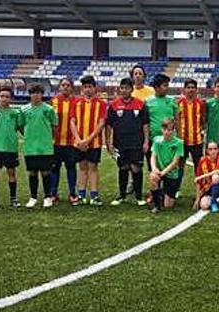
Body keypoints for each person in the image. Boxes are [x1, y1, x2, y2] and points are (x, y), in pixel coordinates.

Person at [105, 77, 150, 206]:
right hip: (120, 143)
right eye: (122, 88)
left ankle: (138, 196)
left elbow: (145, 124)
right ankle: (122, 195)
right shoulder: (114, 105)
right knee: (123, 167)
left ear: (131, 89)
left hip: (136, 142)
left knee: (136, 168)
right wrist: (108, 143)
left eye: (127, 88)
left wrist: (146, 141)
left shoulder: (140, 104)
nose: (124, 90)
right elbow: (108, 125)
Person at [69, 75, 107, 206]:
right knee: (82, 167)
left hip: (94, 142)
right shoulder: (76, 103)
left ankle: (95, 196)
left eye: (90, 86)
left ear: (95, 88)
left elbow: (101, 123)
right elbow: (72, 122)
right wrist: (79, 140)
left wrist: (88, 140)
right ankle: (81, 195)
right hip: (79, 143)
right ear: (82, 89)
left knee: (93, 168)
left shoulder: (101, 104)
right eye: (85, 87)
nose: (87, 89)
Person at [0, 87, 23, 209]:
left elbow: (19, 128)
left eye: (7, 96)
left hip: (10, 148)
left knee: (11, 172)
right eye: (2, 96)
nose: (4, 98)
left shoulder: (15, 113)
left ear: (10, 98)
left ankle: (13, 198)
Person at [21, 84, 58, 208]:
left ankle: (48, 197)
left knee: (46, 172)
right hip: (30, 147)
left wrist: (47, 138)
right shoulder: (24, 110)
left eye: (38, 93)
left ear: (42, 94)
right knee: (32, 172)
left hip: (45, 147)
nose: (35, 95)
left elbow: (54, 127)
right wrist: (28, 136)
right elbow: (21, 126)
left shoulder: (49, 109)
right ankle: (33, 197)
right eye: (33, 93)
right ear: (30, 94)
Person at [49, 78, 78, 204]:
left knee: (71, 168)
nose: (65, 87)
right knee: (54, 168)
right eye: (63, 85)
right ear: (59, 87)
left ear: (72, 87)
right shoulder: (53, 101)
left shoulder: (76, 102)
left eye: (68, 85)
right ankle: (53, 193)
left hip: (71, 142)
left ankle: (72, 193)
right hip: (55, 142)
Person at [149, 118, 184, 212]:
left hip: (171, 173)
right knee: (153, 176)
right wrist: (154, 168)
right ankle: (157, 206)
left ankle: (161, 194)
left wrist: (164, 172)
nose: (166, 132)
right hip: (160, 171)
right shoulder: (157, 140)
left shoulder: (179, 143)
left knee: (168, 205)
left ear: (173, 130)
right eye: (165, 130)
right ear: (161, 129)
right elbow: (153, 156)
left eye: (169, 130)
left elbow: (175, 162)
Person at [177, 78, 206, 191]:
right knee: (180, 166)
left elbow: (203, 121)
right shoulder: (179, 103)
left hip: (197, 141)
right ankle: (176, 189)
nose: (190, 90)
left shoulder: (200, 104)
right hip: (182, 141)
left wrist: (201, 132)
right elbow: (176, 120)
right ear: (184, 89)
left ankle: (200, 189)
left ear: (196, 89)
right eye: (188, 87)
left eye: (193, 87)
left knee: (198, 167)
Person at [194, 142, 219, 212]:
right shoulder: (202, 161)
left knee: (215, 177)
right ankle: (211, 198)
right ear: (207, 151)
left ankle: (213, 203)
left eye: (215, 149)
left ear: (218, 150)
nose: (213, 151)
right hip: (207, 188)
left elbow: (218, 171)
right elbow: (198, 182)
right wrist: (197, 199)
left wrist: (203, 176)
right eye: (210, 149)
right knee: (204, 206)